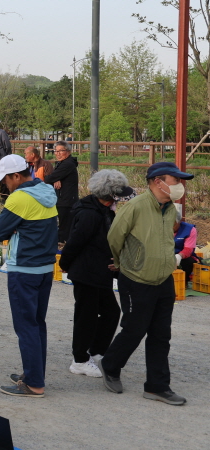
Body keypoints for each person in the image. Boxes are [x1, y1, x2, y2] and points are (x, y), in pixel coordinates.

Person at [99, 162, 191, 406]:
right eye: (176, 181)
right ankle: (110, 365)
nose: (180, 186)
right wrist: (123, 263)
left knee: (161, 335)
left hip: (163, 279)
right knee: (134, 329)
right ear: (157, 182)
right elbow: (114, 237)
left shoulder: (170, 208)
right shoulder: (135, 207)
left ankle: (157, 387)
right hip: (136, 279)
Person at [0, 154, 58, 397]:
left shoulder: (19, 197)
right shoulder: (46, 190)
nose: (4, 186)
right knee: (37, 324)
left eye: (6, 180)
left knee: (26, 326)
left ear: (16, 176)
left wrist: (16, 225)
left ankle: (34, 384)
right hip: (45, 268)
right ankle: (34, 374)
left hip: (24, 269)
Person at [59, 169, 132, 379]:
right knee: (86, 317)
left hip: (99, 272)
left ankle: (96, 351)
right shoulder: (90, 213)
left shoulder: (102, 209)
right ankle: (80, 359)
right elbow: (75, 242)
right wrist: (65, 263)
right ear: (110, 195)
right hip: (87, 272)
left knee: (110, 313)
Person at [45, 141, 79, 245]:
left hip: (67, 200)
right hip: (61, 198)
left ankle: (62, 247)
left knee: (65, 227)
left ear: (68, 151)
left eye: (61, 151)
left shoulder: (68, 164)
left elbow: (48, 178)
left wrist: (55, 178)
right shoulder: (61, 163)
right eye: (56, 151)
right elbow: (54, 177)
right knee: (63, 225)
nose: (58, 153)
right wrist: (56, 178)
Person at [174, 211, 201, 282]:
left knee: (188, 262)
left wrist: (179, 256)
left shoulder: (190, 230)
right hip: (164, 255)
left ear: (179, 222)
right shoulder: (159, 229)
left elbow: (188, 249)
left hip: (182, 256)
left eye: (173, 224)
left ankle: (183, 282)